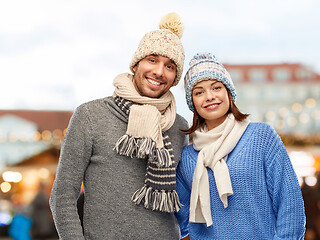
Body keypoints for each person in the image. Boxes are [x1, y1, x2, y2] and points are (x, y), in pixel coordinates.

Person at [49, 13, 188, 239]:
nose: (159, 72)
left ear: (174, 77)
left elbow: (187, 200)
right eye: (152, 60)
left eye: (170, 66)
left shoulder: (179, 126)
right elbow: (62, 195)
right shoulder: (90, 116)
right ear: (136, 64)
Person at [175, 52, 306, 239]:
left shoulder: (261, 137)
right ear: (192, 102)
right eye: (199, 92)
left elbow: (290, 206)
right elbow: (178, 223)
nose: (209, 96)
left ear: (228, 92)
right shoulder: (187, 157)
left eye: (216, 87)